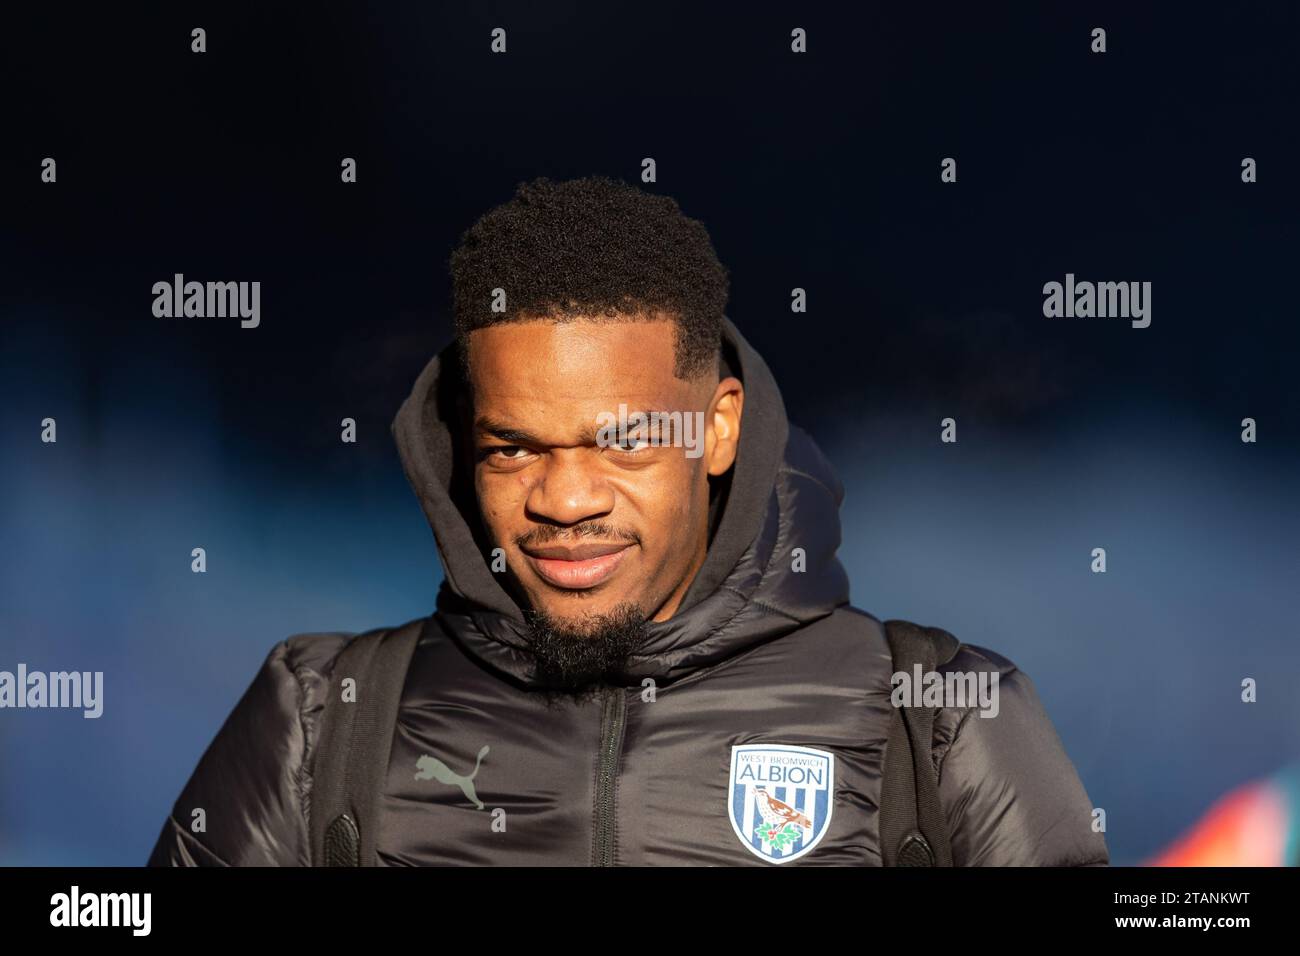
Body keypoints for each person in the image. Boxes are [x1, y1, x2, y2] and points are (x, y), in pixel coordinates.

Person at [147, 175, 1108, 866]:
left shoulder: (936, 725)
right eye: (513, 448)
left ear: (719, 429)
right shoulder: (320, 725)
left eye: (624, 444)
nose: (567, 501)